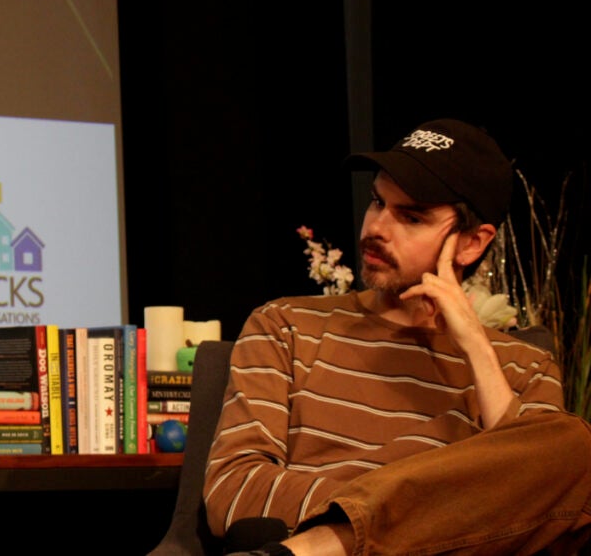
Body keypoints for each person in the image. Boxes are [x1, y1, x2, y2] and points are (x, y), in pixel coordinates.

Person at [203, 118, 591, 555]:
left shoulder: (523, 367)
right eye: (377, 202)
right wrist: (417, 514)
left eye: (411, 216)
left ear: (470, 243)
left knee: (576, 445)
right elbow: (232, 491)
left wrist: (479, 351)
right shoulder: (286, 325)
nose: (376, 228)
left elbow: (544, 499)